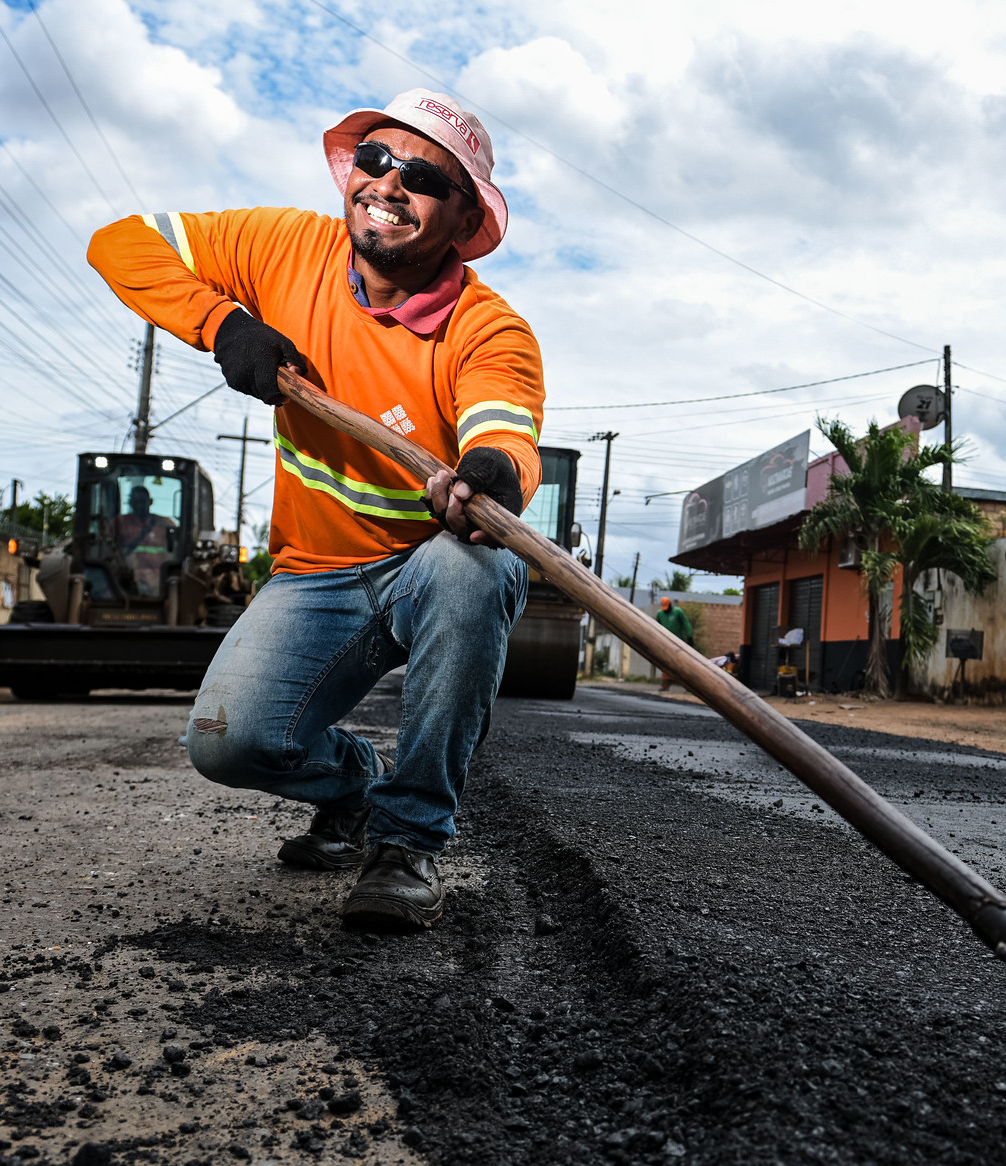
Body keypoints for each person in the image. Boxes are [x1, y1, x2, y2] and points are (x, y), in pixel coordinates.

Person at [86, 89, 544, 932]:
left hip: (424, 566)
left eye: (422, 178)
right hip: (314, 576)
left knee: (476, 565)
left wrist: (485, 477)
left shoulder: (488, 330)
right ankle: (356, 790)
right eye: (375, 161)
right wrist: (222, 323)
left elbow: (505, 431)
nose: (387, 185)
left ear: (462, 213)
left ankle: (408, 841)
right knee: (228, 742)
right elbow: (120, 242)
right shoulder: (284, 246)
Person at [112, 484, 176, 597]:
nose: (140, 505)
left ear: (150, 502)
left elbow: (178, 548)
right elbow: (104, 546)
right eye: (136, 501)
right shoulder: (119, 523)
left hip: (159, 581)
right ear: (130, 502)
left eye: (143, 501)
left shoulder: (165, 523)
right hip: (126, 582)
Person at [654, 595, 694, 691]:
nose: (665, 610)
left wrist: (690, 636)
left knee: (681, 663)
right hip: (665, 643)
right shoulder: (660, 614)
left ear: (670, 605)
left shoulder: (678, 612)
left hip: (677, 643)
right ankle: (665, 685)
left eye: (667, 608)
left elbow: (686, 623)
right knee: (665, 664)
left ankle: (687, 685)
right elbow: (656, 627)